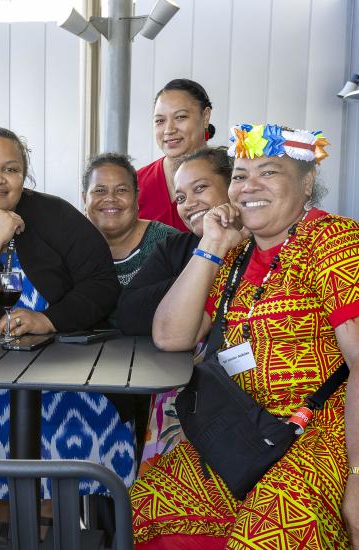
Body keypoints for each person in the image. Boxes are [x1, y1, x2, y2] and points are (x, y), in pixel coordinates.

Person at [132, 123, 359, 548]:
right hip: (239, 426)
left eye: (270, 172)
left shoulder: (340, 242)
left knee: (267, 533)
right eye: (241, 176)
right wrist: (211, 244)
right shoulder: (233, 253)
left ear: (307, 181)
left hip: (318, 436)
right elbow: (171, 336)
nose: (250, 187)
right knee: (146, 505)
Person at [0, 118, 130, 501]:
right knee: (3, 490)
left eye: (11, 169)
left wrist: (48, 319)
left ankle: (61, 527)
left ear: (23, 177)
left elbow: (101, 284)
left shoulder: (55, 215)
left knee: (78, 460)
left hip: (69, 372)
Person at [115, 147, 233, 474]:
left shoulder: (260, 247)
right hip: (180, 398)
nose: (189, 203)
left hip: (247, 400)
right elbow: (130, 314)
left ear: (233, 186)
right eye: (180, 197)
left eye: (200, 188)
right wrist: (197, 268)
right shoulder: (176, 248)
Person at [82, 152, 178, 287]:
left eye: (121, 190)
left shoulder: (169, 242)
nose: (110, 198)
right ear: (85, 199)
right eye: (99, 191)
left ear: (136, 196)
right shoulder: (70, 246)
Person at [137, 78, 215, 232]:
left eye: (180, 117)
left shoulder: (230, 176)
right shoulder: (136, 184)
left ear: (205, 117)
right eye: (160, 121)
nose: (169, 129)